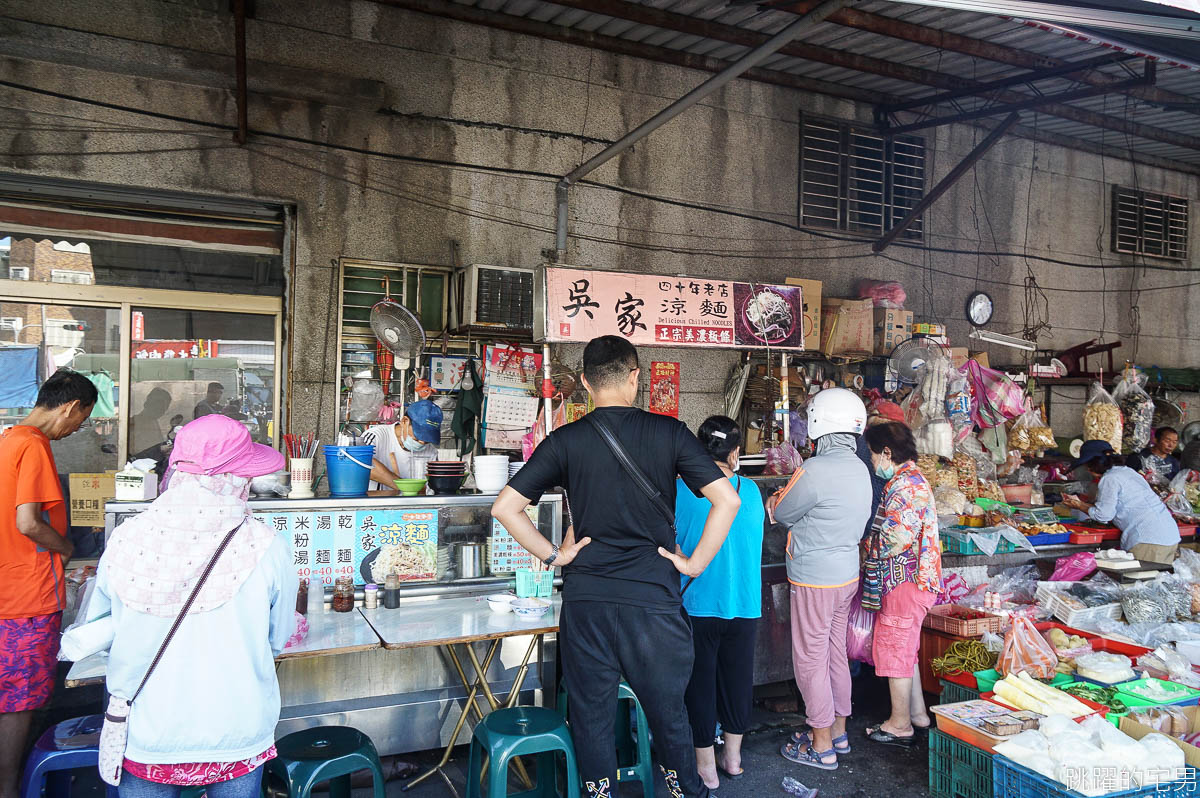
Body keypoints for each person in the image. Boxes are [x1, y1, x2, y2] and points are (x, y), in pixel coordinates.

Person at [492, 335, 740, 798]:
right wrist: (694, 564)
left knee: (591, 717)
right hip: (652, 601)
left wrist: (553, 555)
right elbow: (727, 499)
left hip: (587, 603)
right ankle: (686, 791)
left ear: (586, 383)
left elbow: (506, 507)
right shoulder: (670, 432)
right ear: (634, 377)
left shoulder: (564, 440)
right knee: (669, 716)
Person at [85, 414, 298, 797]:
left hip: (149, 731)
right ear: (234, 479)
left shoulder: (126, 538)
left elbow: (100, 629)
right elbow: (277, 639)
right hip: (236, 728)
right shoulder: (267, 546)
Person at [0, 370, 97, 798]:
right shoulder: (33, 445)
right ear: (70, 406)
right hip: (28, 596)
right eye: (82, 419)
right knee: (20, 703)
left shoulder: (8, 440)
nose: (76, 430)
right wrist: (65, 548)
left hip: (10, 586)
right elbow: (27, 523)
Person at [771, 389, 871, 771]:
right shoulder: (859, 467)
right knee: (835, 654)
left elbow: (781, 510)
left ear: (818, 425)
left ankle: (821, 744)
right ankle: (839, 731)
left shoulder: (815, 470)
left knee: (810, 659)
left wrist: (776, 502)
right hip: (846, 575)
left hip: (815, 580)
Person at [675, 416, 765, 789]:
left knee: (701, 685)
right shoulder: (750, 491)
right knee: (737, 682)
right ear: (735, 452)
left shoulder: (680, 490)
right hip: (744, 604)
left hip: (697, 604)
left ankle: (706, 768)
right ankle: (734, 759)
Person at [863, 421, 941, 747]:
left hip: (904, 581)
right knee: (906, 649)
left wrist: (865, 546)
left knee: (895, 648)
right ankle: (918, 715)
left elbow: (896, 537)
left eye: (871, 454)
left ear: (886, 452)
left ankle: (899, 724)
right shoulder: (909, 480)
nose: (871, 461)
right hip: (913, 581)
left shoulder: (906, 486)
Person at [1062, 440, 1181, 564]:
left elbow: (1103, 515)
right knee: (1158, 580)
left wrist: (1079, 505)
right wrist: (1081, 504)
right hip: (1169, 534)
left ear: (1094, 464)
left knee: (1140, 581)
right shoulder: (1127, 471)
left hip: (1149, 539)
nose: (1087, 469)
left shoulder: (1109, 478)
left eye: (1087, 465)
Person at [362, 399, 443, 490]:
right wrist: (403, 487)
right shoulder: (377, 436)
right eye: (418, 436)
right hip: (377, 502)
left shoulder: (431, 451)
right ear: (404, 421)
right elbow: (360, 463)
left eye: (427, 439)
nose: (422, 442)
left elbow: (431, 487)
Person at [130, 387, 173, 457]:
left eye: (165, 407)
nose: (163, 410)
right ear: (148, 403)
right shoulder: (134, 423)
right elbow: (135, 452)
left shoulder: (154, 422)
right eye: (160, 405)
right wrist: (159, 449)